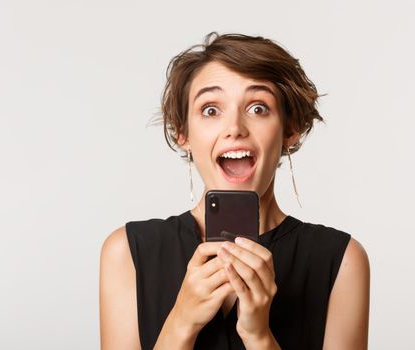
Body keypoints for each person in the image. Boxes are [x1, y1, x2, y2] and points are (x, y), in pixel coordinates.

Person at [99, 32, 370, 350]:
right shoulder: (127, 253)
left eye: (258, 108)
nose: (235, 129)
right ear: (183, 132)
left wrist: (258, 336)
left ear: (290, 129)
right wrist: (182, 322)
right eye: (211, 110)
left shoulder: (341, 260)